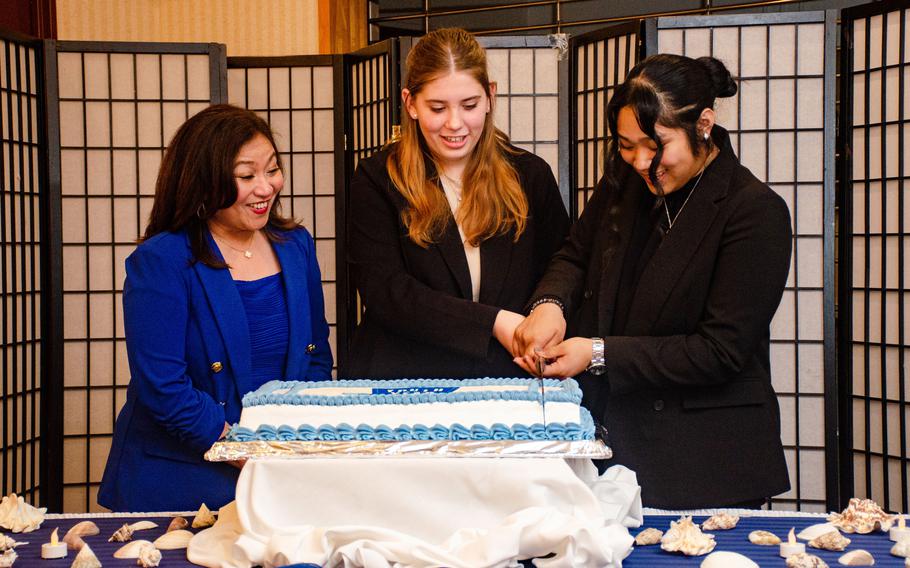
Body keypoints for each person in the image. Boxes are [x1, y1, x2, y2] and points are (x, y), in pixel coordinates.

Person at [513, 54, 791, 509]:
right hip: (612, 436)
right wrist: (549, 304)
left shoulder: (754, 210)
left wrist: (596, 352)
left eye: (655, 143)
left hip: (701, 457)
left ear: (703, 123)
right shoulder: (625, 181)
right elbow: (575, 254)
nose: (642, 162)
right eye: (626, 145)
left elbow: (719, 351)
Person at [98, 105, 333, 512]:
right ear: (205, 184)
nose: (266, 188)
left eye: (272, 170)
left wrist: (293, 442)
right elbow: (164, 388)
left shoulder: (295, 246)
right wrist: (241, 450)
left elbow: (316, 354)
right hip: (179, 479)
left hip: (275, 470)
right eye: (246, 176)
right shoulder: (164, 260)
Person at [346, 28, 569, 378]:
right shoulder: (377, 180)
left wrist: (549, 306)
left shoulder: (530, 175)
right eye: (437, 107)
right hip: (404, 381)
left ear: (490, 97)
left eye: (469, 105)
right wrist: (494, 322)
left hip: (508, 378)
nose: (455, 124)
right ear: (410, 104)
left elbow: (562, 263)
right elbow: (388, 292)